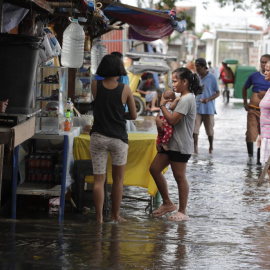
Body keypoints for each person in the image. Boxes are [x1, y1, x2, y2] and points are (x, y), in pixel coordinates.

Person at [149, 67, 203, 221]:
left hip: (181, 144)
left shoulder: (187, 99)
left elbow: (173, 120)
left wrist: (161, 106)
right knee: (154, 169)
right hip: (171, 143)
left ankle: (183, 211)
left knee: (180, 177)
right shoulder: (182, 97)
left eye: (175, 81)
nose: (172, 84)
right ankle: (167, 203)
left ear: (184, 82)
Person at [90, 54, 137, 223]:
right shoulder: (125, 89)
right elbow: (133, 114)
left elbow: (100, 105)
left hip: (98, 137)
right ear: (119, 69)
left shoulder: (95, 85)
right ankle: (115, 216)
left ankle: (99, 218)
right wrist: (119, 115)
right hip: (118, 139)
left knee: (99, 180)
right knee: (118, 180)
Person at [242, 54, 270, 165]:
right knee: (251, 133)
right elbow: (244, 87)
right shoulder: (254, 76)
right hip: (253, 109)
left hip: (266, 114)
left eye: (266, 62)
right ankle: (250, 156)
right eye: (262, 62)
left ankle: (259, 160)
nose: (263, 65)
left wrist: (265, 95)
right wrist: (245, 102)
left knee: (262, 134)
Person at [194, 58, 220, 154]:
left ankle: (211, 147)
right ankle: (195, 149)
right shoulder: (195, 77)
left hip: (208, 108)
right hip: (197, 107)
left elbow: (218, 93)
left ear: (204, 67)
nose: (197, 68)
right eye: (196, 66)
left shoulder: (212, 77)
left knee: (209, 131)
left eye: (199, 66)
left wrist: (208, 99)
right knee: (195, 129)